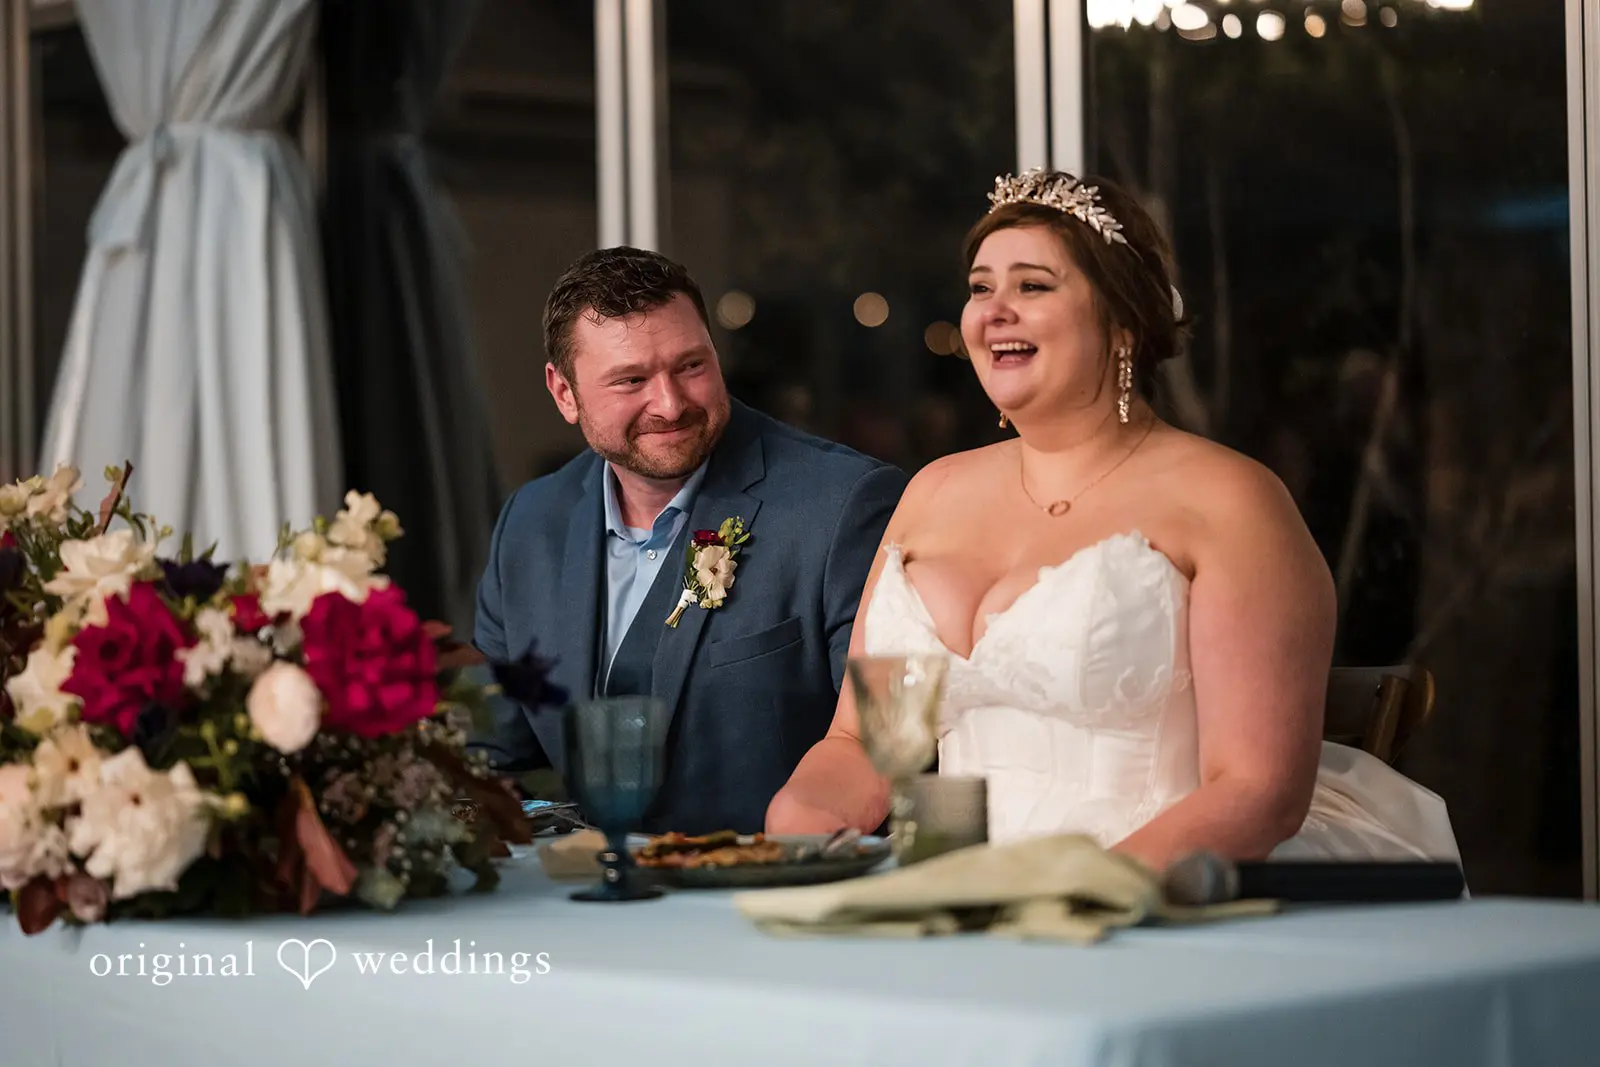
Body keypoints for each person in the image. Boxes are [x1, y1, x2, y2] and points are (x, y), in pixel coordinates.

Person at [765, 169, 1461, 872]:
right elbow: (868, 746)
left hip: (1157, 887)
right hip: (958, 886)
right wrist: (798, 823)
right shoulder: (933, 491)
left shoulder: (1230, 500)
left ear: (1122, 323)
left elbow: (1257, 790)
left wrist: (1076, 890)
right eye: (980, 287)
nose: (994, 310)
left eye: (1032, 286)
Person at [471, 247, 908, 835]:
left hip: (776, 878)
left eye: (691, 366)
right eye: (631, 380)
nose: (671, 404)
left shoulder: (843, 506)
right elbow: (492, 757)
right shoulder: (531, 523)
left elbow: (888, 749)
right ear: (564, 393)